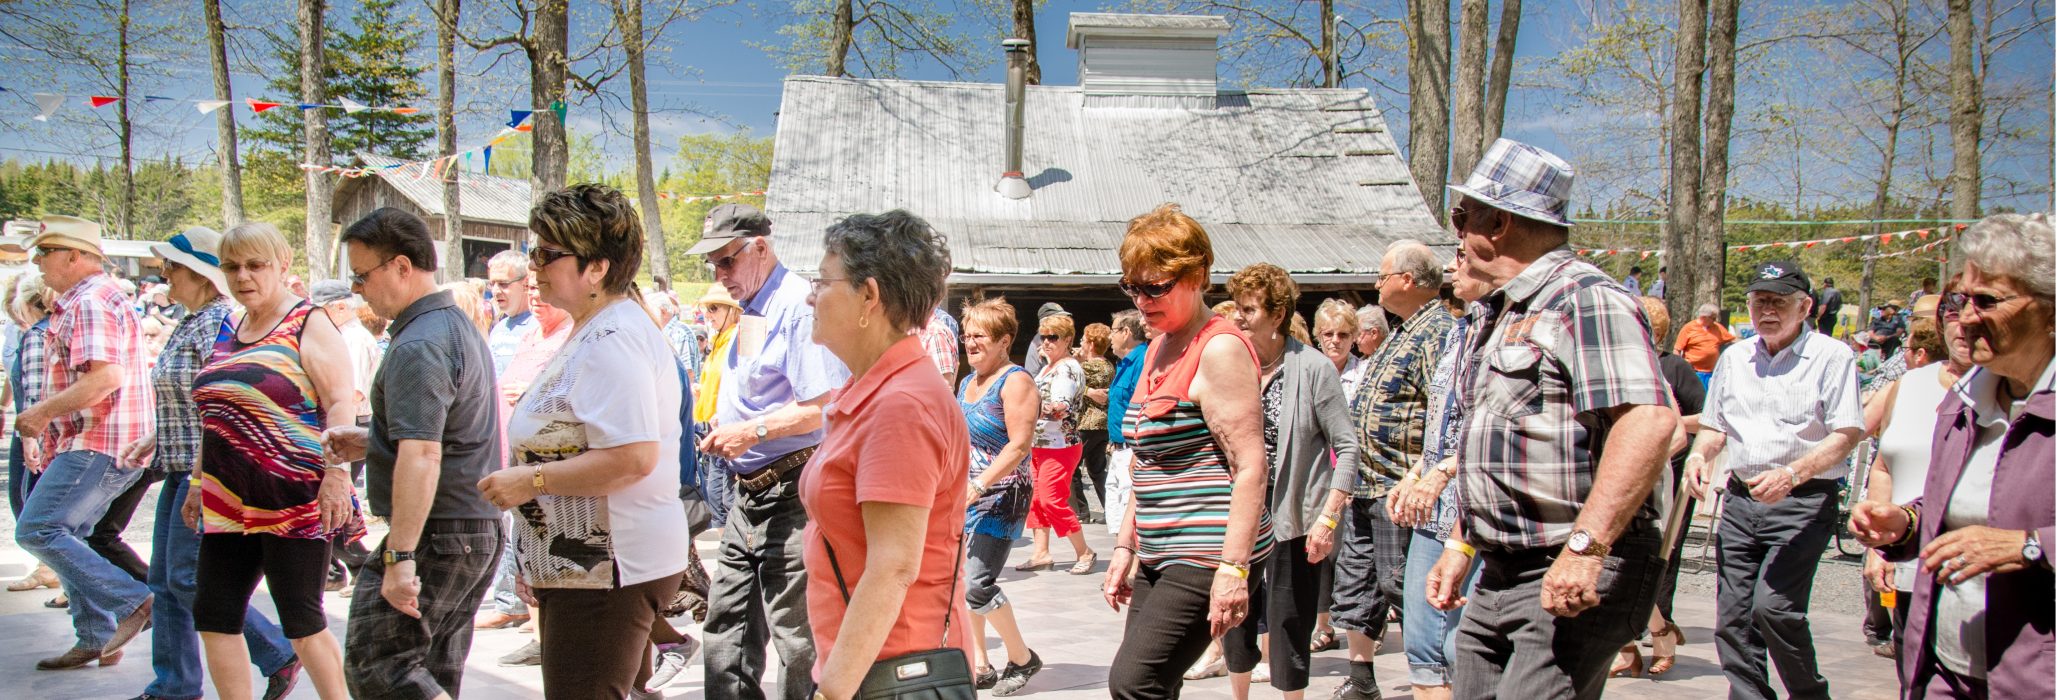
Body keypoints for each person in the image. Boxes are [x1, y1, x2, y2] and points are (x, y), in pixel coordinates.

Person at [1422, 139, 1677, 700]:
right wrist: (1460, 546)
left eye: (1461, 217)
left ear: (1499, 222)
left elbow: (1650, 423)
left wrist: (1586, 550)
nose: (1457, 233)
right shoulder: (1506, 310)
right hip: (1501, 568)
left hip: (1565, 562)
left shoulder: (1584, 299)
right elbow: (1497, 445)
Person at [472, 185, 693, 698]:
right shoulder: (597, 329)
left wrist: (532, 481)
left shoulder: (613, 338)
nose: (535, 266)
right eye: (535, 251)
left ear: (596, 267)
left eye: (548, 254)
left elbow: (633, 457)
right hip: (590, 566)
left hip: (606, 568)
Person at [1849, 213, 2054, 699]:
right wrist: (1904, 524)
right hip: (1943, 669)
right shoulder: (1963, 401)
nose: (1965, 318)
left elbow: (2009, 532)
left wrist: (2030, 546)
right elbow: (1959, 512)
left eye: (1988, 301)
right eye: (1962, 300)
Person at [327, 207, 506, 700]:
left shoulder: (421, 342)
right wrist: (375, 441)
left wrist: (400, 555)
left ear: (402, 267)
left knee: (378, 664)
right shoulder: (448, 326)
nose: (357, 288)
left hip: (439, 531)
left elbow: (424, 454)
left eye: (363, 275)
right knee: (430, 667)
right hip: (465, 526)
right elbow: (444, 437)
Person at [797, 210, 976, 700]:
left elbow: (893, 566)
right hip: (874, 669)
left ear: (868, 296)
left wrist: (835, 688)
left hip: (893, 674)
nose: (811, 295)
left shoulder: (900, 405)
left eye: (822, 280)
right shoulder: (877, 391)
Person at [126, 226, 305, 700]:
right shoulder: (191, 320)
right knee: (164, 579)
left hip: (208, 472)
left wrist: (201, 473)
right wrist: (157, 436)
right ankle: (174, 685)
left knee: (189, 578)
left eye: (172, 268)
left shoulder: (215, 322)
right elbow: (189, 397)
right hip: (179, 464)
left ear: (199, 276)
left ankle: (276, 651)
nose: (164, 276)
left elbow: (226, 398)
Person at [1103, 203, 1273, 699]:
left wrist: (1234, 570)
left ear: (1197, 274)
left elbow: (1251, 467)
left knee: (1135, 684)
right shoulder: (1158, 344)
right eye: (1132, 287)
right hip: (1160, 548)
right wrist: (1124, 547)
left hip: (1206, 551)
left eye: (1155, 287)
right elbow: (1146, 461)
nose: (1141, 300)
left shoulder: (1218, 349)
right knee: (1154, 685)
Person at [184, 222, 359, 700]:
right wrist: (198, 483)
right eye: (231, 267)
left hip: (295, 496)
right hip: (228, 500)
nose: (243, 276)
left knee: (301, 621)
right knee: (214, 616)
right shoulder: (227, 326)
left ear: (282, 266)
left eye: (255, 265)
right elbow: (216, 414)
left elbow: (342, 402)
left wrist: (337, 475)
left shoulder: (308, 321)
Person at [687, 203, 848, 700]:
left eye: (726, 261)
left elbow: (825, 409)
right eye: (712, 264)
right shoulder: (755, 307)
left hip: (792, 492)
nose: (719, 275)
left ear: (759, 247)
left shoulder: (800, 305)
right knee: (726, 628)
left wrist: (751, 432)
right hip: (750, 492)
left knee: (797, 638)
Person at [1683, 259, 1864, 700]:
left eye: (1778, 301)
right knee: (1734, 619)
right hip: (1741, 502)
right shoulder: (1735, 357)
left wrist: (1792, 473)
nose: (1767, 310)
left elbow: (1848, 433)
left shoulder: (1832, 356)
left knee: (1775, 609)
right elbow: (1714, 425)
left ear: (1805, 307)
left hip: (1803, 500)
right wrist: (1699, 455)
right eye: (1759, 300)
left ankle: (1808, 694)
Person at [11, 215, 158, 670]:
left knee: (38, 529)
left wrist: (39, 413)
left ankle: (133, 601)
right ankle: (94, 636)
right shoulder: (92, 297)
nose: (38, 263)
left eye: (45, 253)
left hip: (102, 440)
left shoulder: (90, 300)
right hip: (108, 439)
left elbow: (105, 378)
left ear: (73, 256)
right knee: (72, 533)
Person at [1221, 263, 1359, 700]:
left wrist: (1329, 518)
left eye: (1249, 308)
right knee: (1234, 624)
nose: (1238, 317)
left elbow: (1348, 448)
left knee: (1287, 625)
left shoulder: (1314, 368)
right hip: (1236, 520)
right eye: (1236, 308)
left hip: (1291, 524)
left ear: (1277, 314)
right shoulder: (1230, 364)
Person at [1334, 239, 1456, 700]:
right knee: (1357, 585)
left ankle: (1439, 672)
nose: (1376, 284)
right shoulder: (1402, 328)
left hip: (1400, 486)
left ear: (1407, 280)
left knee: (1400, 580)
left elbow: (1442, 410)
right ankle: (1362, 680)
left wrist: (1424, 474)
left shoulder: (1437, 331)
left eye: (1382, 276)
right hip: (1367, 483)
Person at [1384, 252, 1491, 700]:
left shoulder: (1497, 335)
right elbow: (1441, 422)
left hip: (1473, 510)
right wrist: (1416, 473)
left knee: (1456, 646)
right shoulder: (1458, 332)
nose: (1451, 265)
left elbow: (1483, 427)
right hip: (1433, 505)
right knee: (1423, 646)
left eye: (1463, 257)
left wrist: (1443, 472)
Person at [481, 264, 579, 666]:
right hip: (515, 450)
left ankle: (546, 635)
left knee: (544, 541)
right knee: (523, 539)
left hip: (550, 462)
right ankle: (538, 630)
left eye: (541, 289)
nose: (536, 298)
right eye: (533, 291)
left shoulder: (570, 335)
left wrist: (533, 393)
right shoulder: (522, 334)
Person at [1608, 297, 1707, 678]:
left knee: (1631, 566)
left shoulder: (1659, 372)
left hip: (1645, 484)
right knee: (1611, 566)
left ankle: (1660, 634)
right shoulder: (1610, 366)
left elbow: (1680, 432)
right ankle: (1631, 647)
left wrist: (1643, 457)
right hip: (1606, 482)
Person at [1859, 313, 1963, 660]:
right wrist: (1877, 549)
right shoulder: (1909, 384)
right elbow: (1884, 466)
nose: (1968, 319)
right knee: (1913, 674)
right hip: (1909, 561)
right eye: (1955, 310)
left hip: (1982, 578)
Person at [955, 296, 1044, 695]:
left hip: (1003, 494)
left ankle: (1023, 658)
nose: (970, 342)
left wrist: (978, 485)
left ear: (1005, 339)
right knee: (960, 583)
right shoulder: (967, 382)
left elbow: (1019, 446)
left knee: (977, 582)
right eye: (967, 335)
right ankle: (980, 664)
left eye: (980, 336)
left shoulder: (1017, 381)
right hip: (965, 495)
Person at [309, 280, 379, 592]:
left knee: (335, 507)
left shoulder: (353, 339)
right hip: (345, 425)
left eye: (321, 309)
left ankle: (356, 566)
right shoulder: (340, 336)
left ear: (338, 306)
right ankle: (338, 569)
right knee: (332, 509)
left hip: (355, 425)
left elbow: (352, 393)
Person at [1014, 313, 1097, 573]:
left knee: (1052, 500)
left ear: (1068, 339)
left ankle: (1085, 551)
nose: (1046, 342)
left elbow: (1060, 408)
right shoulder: (1049, 367)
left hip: (1061, 444)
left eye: (1054, 337)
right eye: (1043, 336)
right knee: (1037, 500)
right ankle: (1041, 553)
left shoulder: (1067, 369)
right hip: (1041, 443)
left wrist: (1024, 411)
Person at [5, 272, 59, 596]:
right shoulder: (38, 333)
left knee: (35, 510)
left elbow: (37, 390)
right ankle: (51, 571)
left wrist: (31, 437)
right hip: (35, 430)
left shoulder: (37, 335)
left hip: (37, 433)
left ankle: (50, 569)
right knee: (26, 502)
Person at [692, 283, 743, 528]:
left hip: (727, 426)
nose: (708, 315)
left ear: (731, 310)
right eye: (706, 309)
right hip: (712, 425)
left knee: (725, 497)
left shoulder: (736, 337)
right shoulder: (720, 339)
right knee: (717, 496)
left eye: (714, 308)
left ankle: (732, 555)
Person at [1103, 309, 1149, 538]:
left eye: (1112, 331)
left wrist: (1136, 452)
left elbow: (1144, 406)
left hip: (1133, 450)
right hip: (1119, 447)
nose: (1109, 337)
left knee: (1129, 514)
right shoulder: (1124, 363)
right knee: (1116, 507)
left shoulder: (1143, 360)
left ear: (1126, 332)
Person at [1070, 322, 1114, 524]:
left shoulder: (1089, 366)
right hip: (1102, 425)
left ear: (1090, 343)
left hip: (1087, 423)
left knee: (1072, 468)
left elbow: (1072, 381)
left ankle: (1081, 511)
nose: (1080, 342)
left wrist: (1074, 359)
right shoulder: (1108, 365)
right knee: (1097, 471)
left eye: (1083, 339)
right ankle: (1110, 511)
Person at [484, 250, 537, 378]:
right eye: (492, 284)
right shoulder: (498, 329)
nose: (496, 291)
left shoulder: (541, 327)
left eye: (503, 284)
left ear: (526, 284)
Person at [1675, 302, 1736, 385]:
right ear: (1703, 317)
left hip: (1712, 372)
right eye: (1713, 318)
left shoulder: (1717, 327)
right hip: (1693, 372)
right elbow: (1677, 350)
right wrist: (1680, 368)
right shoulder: (1689, 328)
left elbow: (1732, 340)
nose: (1715, 321)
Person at [1023, 303, 1067, 376]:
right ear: (1045, 322)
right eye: (1059, 319)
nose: (1064, 322)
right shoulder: (1042, 340)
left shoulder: (1057, 336)